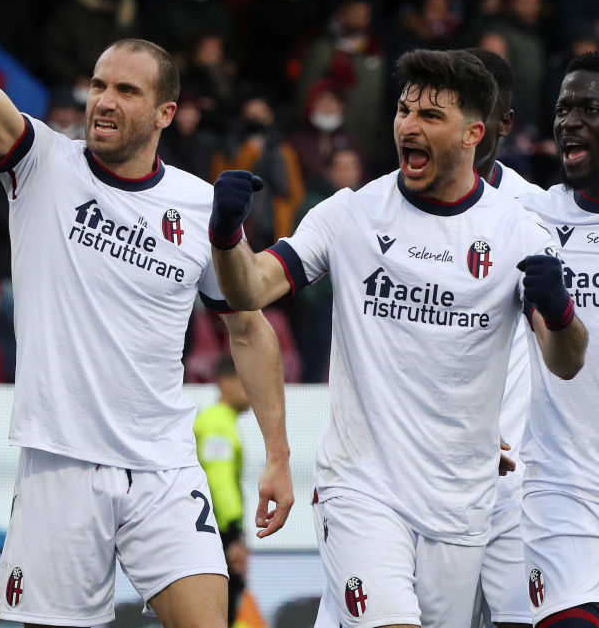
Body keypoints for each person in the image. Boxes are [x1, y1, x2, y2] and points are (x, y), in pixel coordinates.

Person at [0, 0, 293, 628]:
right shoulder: (41, 162)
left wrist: (279, 456)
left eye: (126, 91)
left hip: (164, 463)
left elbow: (250, 329)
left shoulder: (201, 204)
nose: (104, 100)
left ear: (165, 111)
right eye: (99, 84)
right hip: (60, 461)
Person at [209, 48, 587, 628]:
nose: (409, 125)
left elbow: (564, 361)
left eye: (431, 116)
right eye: (405, 110)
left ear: (473, 135)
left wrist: (560, 312)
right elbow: (252, 288)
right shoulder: (350, 214)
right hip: (362, 491)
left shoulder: (519, 232)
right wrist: (229, 236)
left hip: (461, 510)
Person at [515, 51, 599, 628]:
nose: (568, 119)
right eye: (563, 107)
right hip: (561, 485)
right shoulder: (530, 217)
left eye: (588, 108)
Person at [464, 48, 542, 628]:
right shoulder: (375, 208)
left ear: (503, 123)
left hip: (517, 485)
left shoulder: (536, 214)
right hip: (420, 480)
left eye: (479, 107)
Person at [193, 354, 276, 627]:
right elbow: (219, 482)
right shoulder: (216, 424)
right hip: (219, 534)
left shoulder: (218, 422)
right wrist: (233, 533)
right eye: (246, 381)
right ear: (225, 382)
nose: (253, 389)